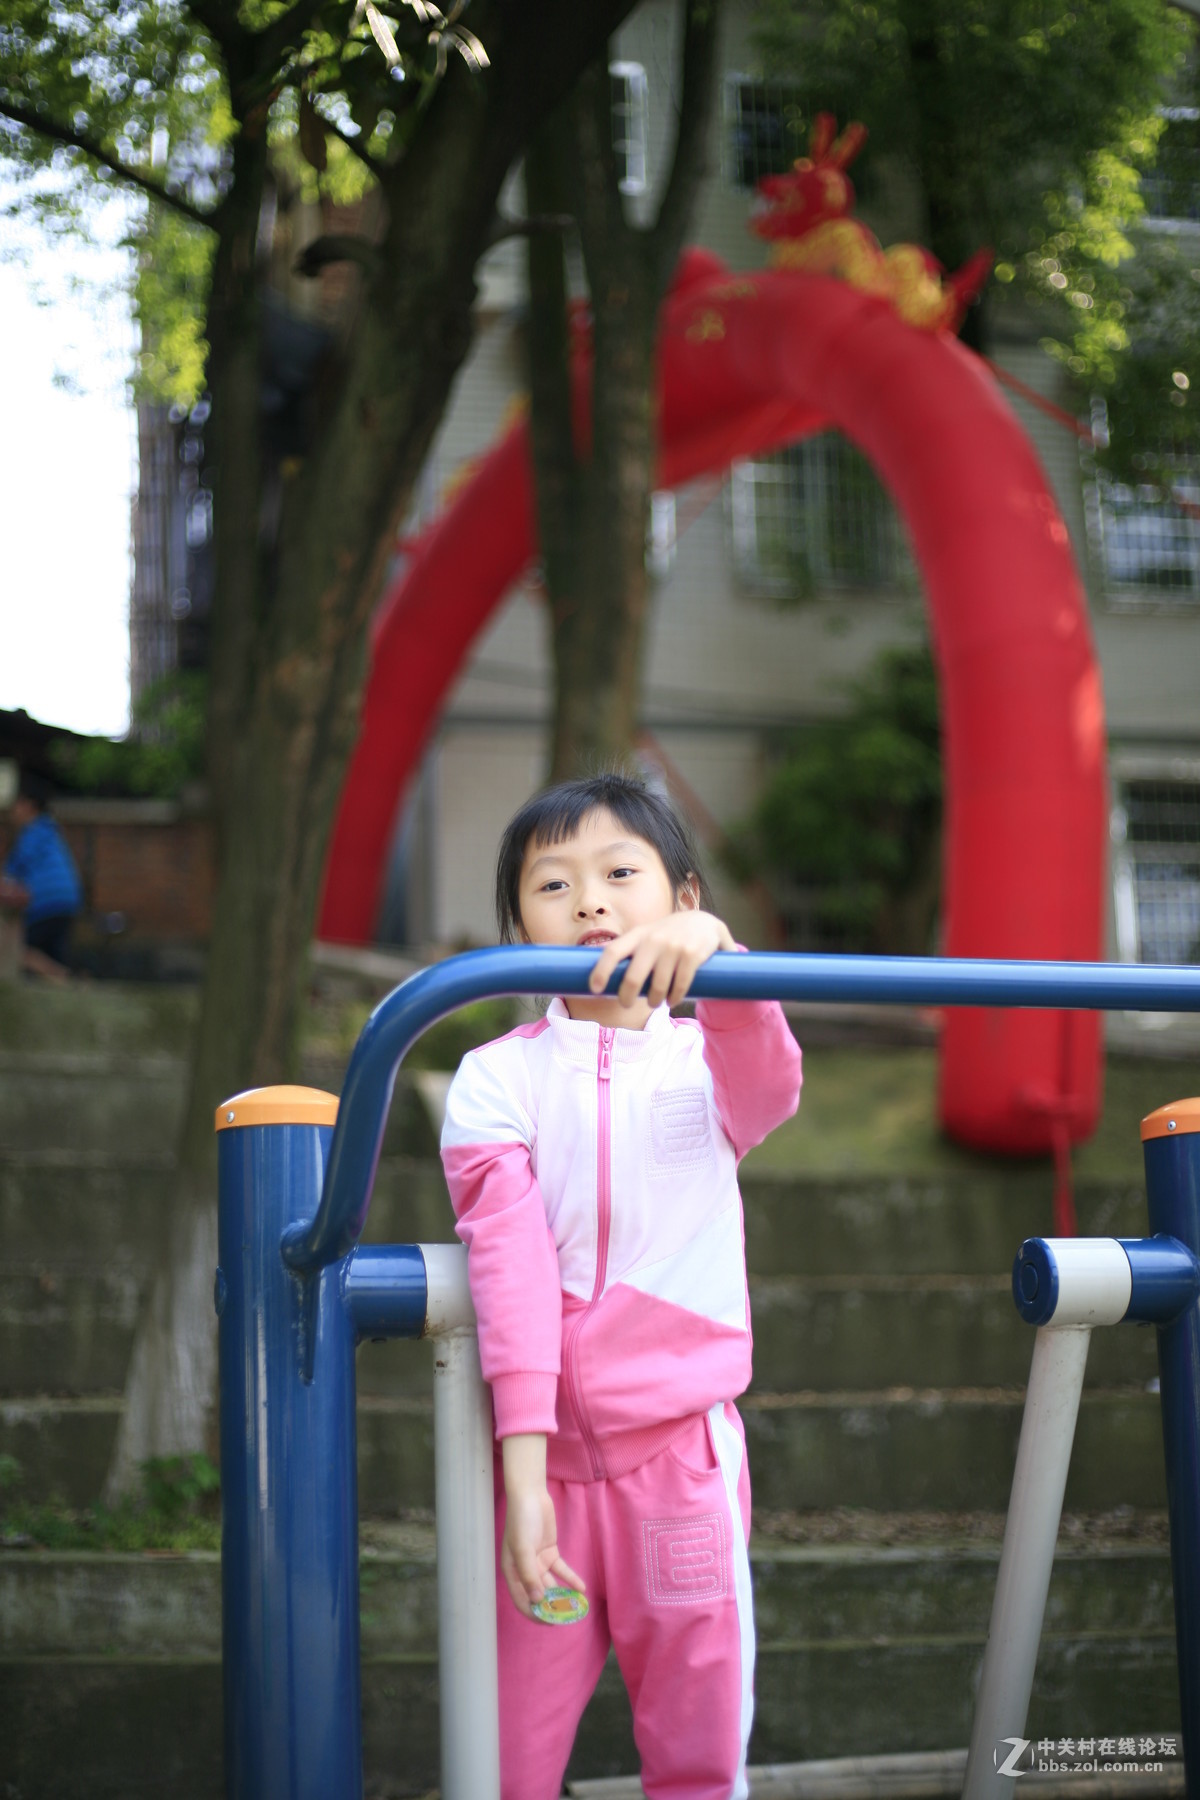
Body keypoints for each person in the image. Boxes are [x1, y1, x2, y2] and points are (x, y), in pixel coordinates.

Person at [440, 771, 803, 1800]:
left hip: (679, 1469)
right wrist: (519, 1485)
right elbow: (508, 1275)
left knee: (696, 1755)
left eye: (619, 873)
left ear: (681, 901)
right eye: (552, 884)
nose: (591, 901)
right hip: (534, 1469)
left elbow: (772, 1083)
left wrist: (724, 965)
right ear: (517, 923)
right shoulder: (495, 1080)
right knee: (503, 1761)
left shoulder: (710, 1063)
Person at [1, 773, 83, 980]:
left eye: (17, 804)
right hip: (68, 901)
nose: (13, 811)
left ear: (29, 806)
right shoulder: (51, 831)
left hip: (45, 902)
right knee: (54, 953)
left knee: (22, 952)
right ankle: (70, 981)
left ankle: (68, 979)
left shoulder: (30, 835)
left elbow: (10, 876)